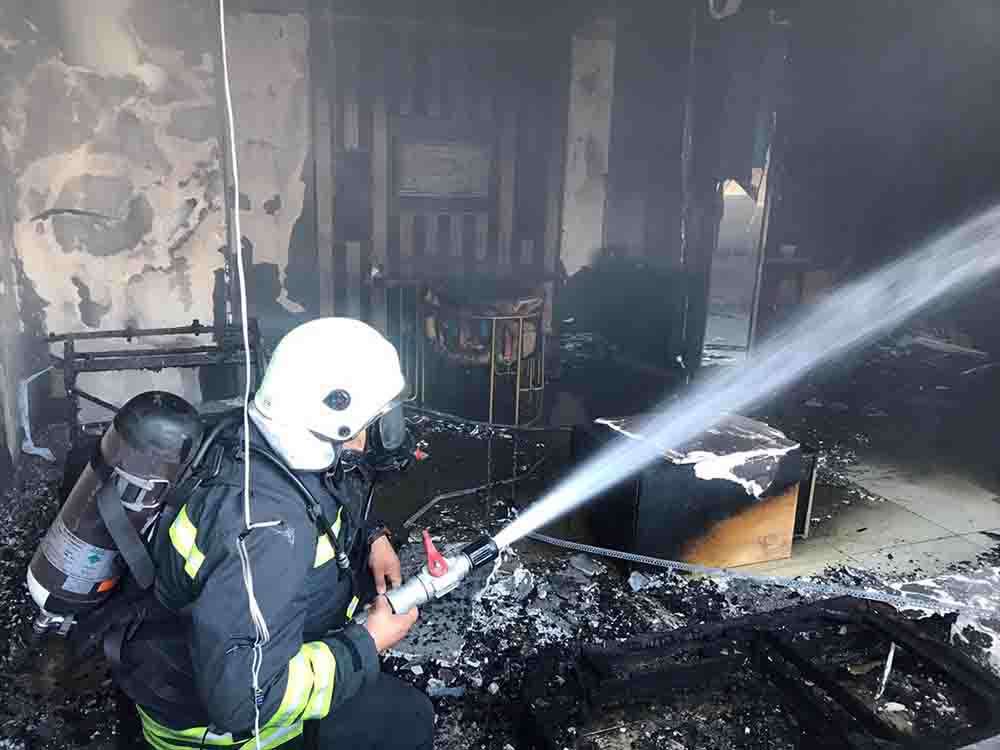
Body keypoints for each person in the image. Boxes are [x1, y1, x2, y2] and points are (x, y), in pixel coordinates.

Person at [99, 318, 434, 750]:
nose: (387, 438)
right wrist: (365, 643)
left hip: (183, 647)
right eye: (382, 422)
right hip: (220, 729)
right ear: (337, 418)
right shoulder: (269, 533)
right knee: (409, 721)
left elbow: (325, 490)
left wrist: (372, 536)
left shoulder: (253, 437)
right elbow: (243, 703)